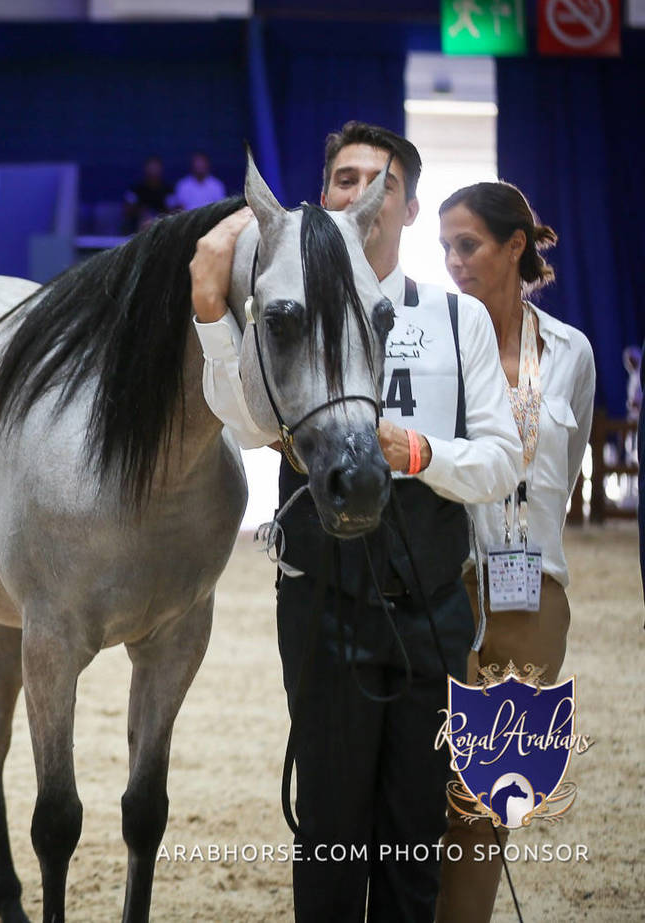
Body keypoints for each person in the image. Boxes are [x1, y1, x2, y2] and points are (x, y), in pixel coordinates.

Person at [188, 121, 520, 921]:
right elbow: (237, 421)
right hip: (323, 599)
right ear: (326, 198)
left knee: (414, 833)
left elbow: (502, 462)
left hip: (434, 603)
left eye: (382, 182)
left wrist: (416, 452)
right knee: (330, 832)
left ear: (406, 209)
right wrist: (208, 311)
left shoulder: (454, 320)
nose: (360, 193)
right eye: (343, 179)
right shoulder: (285, 306)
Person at [434, 182, 595, 921]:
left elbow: (565, 466)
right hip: (446, 590)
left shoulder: (571, 354)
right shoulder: (439, 351)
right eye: (444, 248)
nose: (454, 262)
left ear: (515, 246)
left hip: (537, 599)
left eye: (466, 245)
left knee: (497, 795)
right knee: (429, 785)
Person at [123, 155, 177, 232]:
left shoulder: (168, 191)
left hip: (163, 227)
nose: (153, 171)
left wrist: (158, 217)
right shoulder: (136, 190)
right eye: (151, 168)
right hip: (138, 228)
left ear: (161, 169)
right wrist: (141, 212)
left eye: (156, 168)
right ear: (146, 169)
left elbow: (175, 211)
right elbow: (127, 209)